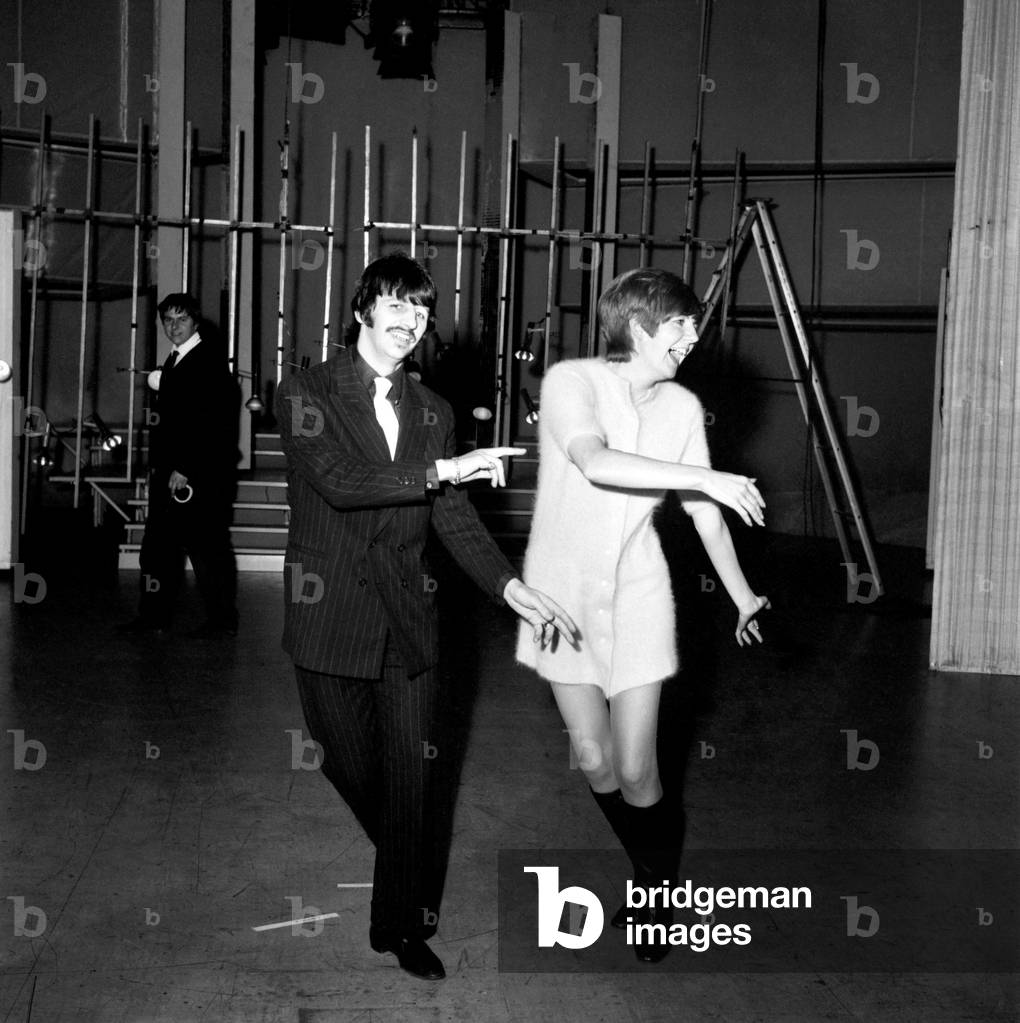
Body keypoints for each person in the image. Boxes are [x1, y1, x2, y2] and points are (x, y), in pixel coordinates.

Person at [277, 252, 577, 981]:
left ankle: (403, 923)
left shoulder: (434, 410)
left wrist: (512, 589)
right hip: (330, 612)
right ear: (361, 308)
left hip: (411, 620)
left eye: (423, 309)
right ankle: (408, 854)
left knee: (412, 778)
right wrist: (445, 470)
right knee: (347, 761)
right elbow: (344, 484)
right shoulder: (305, 389)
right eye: (398, 304)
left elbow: (454, 518)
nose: (412, 321)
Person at [515, 267, 769, 963]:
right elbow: (594, 462)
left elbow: (702, 513)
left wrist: (742, 594)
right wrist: (703, 475)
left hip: (639, 593)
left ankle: (655, 886)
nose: (693, 336)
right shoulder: (573, 381)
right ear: (637, 322)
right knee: (592, 757)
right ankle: (656, 867)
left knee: (634, 766)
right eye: (680, 323)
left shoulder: (682, 408)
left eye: (694, 324)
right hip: (560, 594)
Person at [121, 292, 240, 637]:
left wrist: (185, 468)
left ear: (195, 322)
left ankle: (220, 621)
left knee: (205, 551)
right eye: (168, 320)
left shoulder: (206, 362)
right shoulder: (177, 359)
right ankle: (153, 618)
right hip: (173, 473)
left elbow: (211, 423)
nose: (174, 326)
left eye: (181, 319)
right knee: (159, 550)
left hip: (194, 476)